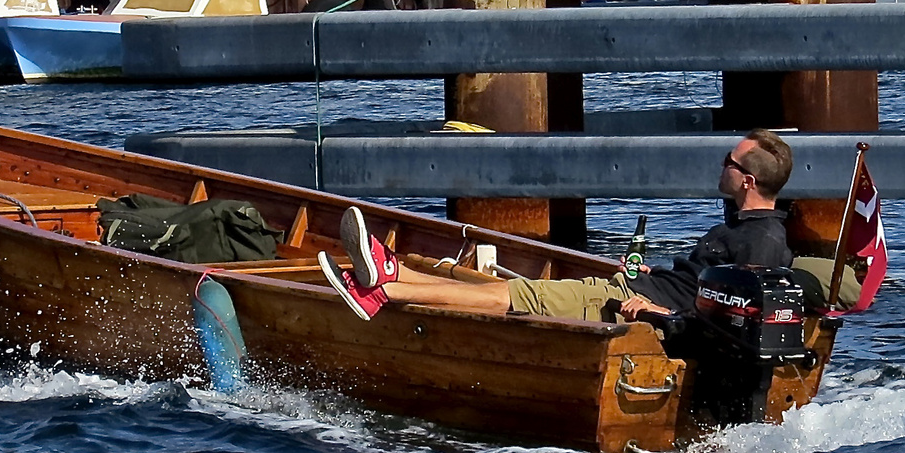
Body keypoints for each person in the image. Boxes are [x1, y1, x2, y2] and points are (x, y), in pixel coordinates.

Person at [319, 129, 796, 323]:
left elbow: (737, 320)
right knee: (522, 289)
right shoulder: (745, 224)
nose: (721, 165)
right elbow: (707, 286)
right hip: (634, 287)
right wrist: (656, 279)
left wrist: (656, 311)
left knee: (514, 296)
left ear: (747, 180)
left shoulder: (762, 241)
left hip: (628, 307)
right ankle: (393, 273)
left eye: (728, 161)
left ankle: (387, 291)